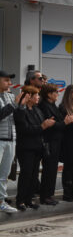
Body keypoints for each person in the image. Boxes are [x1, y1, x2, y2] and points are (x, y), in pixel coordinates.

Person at [13, 86, 55, 210]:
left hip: (37, 146)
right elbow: (24, 129)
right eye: (36, 95)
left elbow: (42, 124)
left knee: (34, 174)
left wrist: (47, 123)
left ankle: (29, 199)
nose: (38, 97)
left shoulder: (37, 109)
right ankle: (20, 200)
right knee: (26, 173)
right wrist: (42, 126)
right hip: (26, 147)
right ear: (29, 97)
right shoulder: (21, 110)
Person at [38, 84, 73, 205]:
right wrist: (65, 122)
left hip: (56, 141)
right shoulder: (44, 106)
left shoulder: (52, 105)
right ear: (49, 94)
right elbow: (51, 124)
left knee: (52, 169)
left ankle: (49, 194)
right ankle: (45, 196)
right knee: (49, 170)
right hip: (50, 141)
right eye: (55, 92)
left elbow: (59, 120)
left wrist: (68, 120)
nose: (58, 94)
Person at [0, 70, 19, 213]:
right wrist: (15, 104)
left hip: (11, 139)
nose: (10, 83)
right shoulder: (11, 99)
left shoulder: (10, 96)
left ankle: (1, 201)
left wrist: (22, 105)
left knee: (4, 174)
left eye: (9, 80)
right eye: (6, 80)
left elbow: (16, 117)